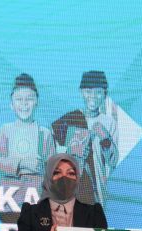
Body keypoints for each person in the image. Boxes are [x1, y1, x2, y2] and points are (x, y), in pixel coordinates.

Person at [0, 73, 56, 224]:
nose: (24, 104)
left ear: (36, 101)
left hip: (36, 199)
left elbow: (53, 169)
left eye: (29, 99)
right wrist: (21, 164)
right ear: (11, 103)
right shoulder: (5, 130)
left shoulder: (44, 133)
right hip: (10, 201)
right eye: (19, 99)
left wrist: (41, 167)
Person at [51, 71, 118, 205]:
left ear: (105, 94)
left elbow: (113, 161)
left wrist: (105, 139)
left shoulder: (109, 123)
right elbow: (51, 154)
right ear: (81, 92)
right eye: (88, 91)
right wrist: (71, 152)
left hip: (96, 189)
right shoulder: (69, 119)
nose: (93, 96)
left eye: (98, 92)